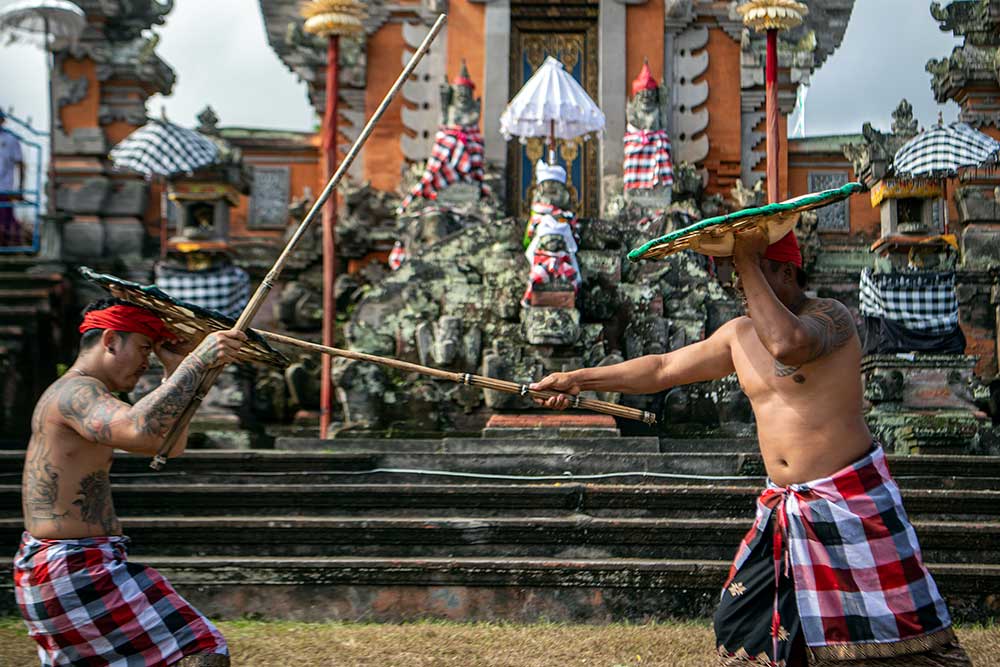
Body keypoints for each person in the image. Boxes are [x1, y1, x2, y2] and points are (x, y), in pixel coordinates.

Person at [531, 229, 971, 666]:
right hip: (784, 509)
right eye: (737, 280)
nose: (739, 289)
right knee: (743, 627)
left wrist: (744, 255)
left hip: (849, 501)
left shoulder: (830, 319)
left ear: (785, 272)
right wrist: (577, 380)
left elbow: (788, 345)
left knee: (901, 642)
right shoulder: (739, 335)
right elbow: (662, 368)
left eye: (748, 278)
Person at [14, 297, 246, 667]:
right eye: (142, 348)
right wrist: (197, 361)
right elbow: (138, 428)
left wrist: (176, 373)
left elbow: (165, 445)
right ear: (110, 341)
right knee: (200, 647)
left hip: (66, 566)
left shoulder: (80, 392)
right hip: (73, 567)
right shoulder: (77, 392)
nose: (145, 363)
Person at [0, 109, 25, 246]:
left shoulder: (10, 139)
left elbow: (20, 164)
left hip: (4, 188)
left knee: (5, 221)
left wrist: (21, 187)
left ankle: (10, 246)